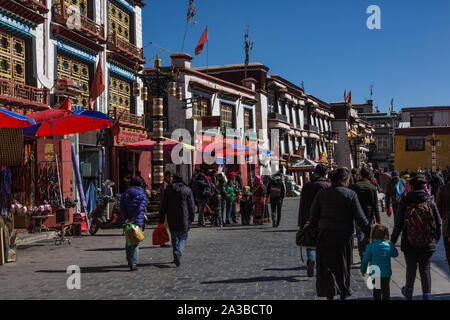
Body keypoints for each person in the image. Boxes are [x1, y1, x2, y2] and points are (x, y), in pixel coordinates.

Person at [309, 168, 371, 300]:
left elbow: (313, 214)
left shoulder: (322, 193)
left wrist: (315, 229)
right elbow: (360, 218)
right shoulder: (350, 194)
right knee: (343, 266)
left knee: (327, 266)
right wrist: (370, 233)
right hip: (344, 236)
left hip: (325, 234)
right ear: (346, 179)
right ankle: (343, 292)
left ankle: (330, 294)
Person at [390, 175, 442, 300]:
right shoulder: (429, 201)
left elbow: (398, 223)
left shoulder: (405, 200)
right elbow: (438, 221)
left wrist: (392, 241)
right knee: (425, 269)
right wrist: (436, 238)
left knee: (411, 268)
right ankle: (427, 296)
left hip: (409, 241)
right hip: (427, 242)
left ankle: (408, 293)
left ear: (411, 187)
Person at [297, 164, 331, 277]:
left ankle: (311, 258)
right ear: (325, 174)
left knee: (310, 241)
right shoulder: (328, 186)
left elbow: (302, 204)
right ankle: (322, 264)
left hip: (309, 218)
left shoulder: (307, 186)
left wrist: (301, 222)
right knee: (323, 241)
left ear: (315, 173)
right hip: (324, 218)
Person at [159, 174, 196, 267]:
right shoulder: (187, 190)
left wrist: (161, 218)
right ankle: (178, 252)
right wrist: (192, 218)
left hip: (171, 217)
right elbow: (191, 206)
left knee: (174, 236)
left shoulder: (168, 190)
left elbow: (163, 205)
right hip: (184, 217)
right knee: (183, 236)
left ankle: (176, 255)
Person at [360, 224, 398, 300]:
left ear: (373, 234)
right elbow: (395, 254)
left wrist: (363, 270)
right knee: (386, 292)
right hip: (386, 273)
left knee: (377, 292)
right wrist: (392, 245)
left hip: (375, 273)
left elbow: (365, 260)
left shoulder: (370, 246)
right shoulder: (389, 245)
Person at [351, 167, 382, 260]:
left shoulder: (355, 186)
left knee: (360, 234)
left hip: (357, 214)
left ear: (360, 175)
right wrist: (378, 219)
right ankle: (368, 252)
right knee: (369, 234)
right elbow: (375, 204)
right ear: (369, 175)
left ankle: (362, 252)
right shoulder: (372, 187)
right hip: (369, 214)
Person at [120, 178, 147, 271]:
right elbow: (141, 207)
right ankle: (133, 263)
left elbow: (122, 207)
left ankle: (129, 260)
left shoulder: (125, 194)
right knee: (136, 242)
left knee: (129, 241)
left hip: (127, 220)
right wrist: (133, 218)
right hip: (137, 220)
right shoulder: (142, 194)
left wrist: (127, 217)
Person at [436, 181, 450, 269]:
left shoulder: (442, 189)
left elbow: (438, 207)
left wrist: (444, 217)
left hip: (447, 224)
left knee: (448, 251)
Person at [159, 170, 173, 247]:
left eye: (171, 177)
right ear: (166, 177)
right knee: (165, 225)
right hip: (165, 208)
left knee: (166, 225)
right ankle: (163, 241)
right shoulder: (165, 185)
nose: (171, 178)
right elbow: (165, 197)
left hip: (166, 208)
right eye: (169, 176)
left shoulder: (166, 184)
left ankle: (163, 241)